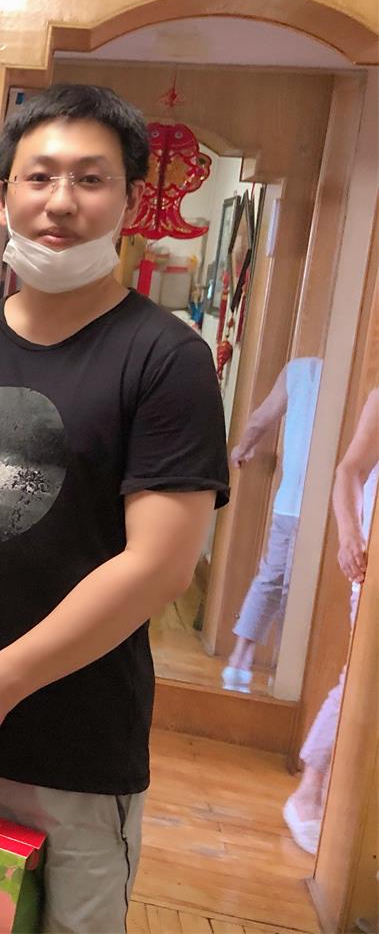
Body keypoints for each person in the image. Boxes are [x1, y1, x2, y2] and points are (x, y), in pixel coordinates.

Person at [0, 84, 229, 932]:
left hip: (71, 749)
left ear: (129, 202)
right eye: (38, 178)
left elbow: (158, 564)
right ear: (2, 197)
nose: (59, 202)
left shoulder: (166, 359)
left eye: (89, 179)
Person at [282, 386, 377, 852]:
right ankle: (309, 792)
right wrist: (349, 534)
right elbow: (349, 470)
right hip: (372, 567)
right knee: (359, 680)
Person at [224, 356, 324, 692]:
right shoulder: (356, 381)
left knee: (270, 579)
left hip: (289, 502)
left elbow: (259, 419)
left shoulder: (301, 370)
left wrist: (242, 449)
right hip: (326, 509)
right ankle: (286, 671)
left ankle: (239, 659)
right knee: (299, 589)